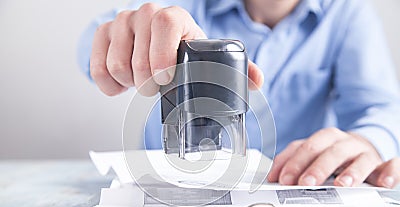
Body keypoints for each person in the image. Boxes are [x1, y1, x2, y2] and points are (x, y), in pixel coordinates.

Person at [77, 0, 400, 188]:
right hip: (173, 194)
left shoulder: (345, 13)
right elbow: (91, 44)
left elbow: (380, 108)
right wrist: (123, 41)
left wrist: (370, 141)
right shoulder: (176, 6)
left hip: (291, 188)